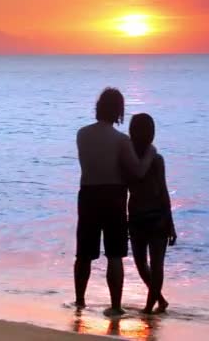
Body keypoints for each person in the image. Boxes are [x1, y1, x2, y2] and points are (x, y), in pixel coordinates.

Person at [75, 88, 156, 316]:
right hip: (114, 196)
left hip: (88, 194)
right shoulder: (121, 140)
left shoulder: (82, 134)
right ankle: (116, 306)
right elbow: (139, 172)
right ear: (119, 111)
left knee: (83, 254)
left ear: (98, 107)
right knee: (114, 254)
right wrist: (150, 152)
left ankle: (80, 301)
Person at [127, 113, 177, 314]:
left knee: (156, 264)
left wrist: (170, 223)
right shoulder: (128, 160)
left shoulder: (157, 160)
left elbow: (163, 191)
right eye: (145, 130)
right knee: (141, 264)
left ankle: (150, 306)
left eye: (149, 131)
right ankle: (160, 300)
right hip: (137, 218)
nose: (148, 135)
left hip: (157, 218)